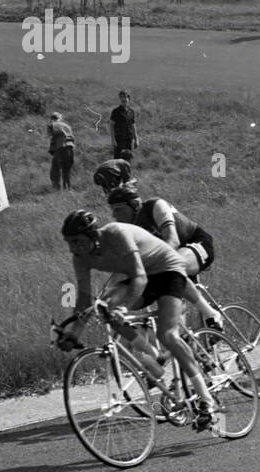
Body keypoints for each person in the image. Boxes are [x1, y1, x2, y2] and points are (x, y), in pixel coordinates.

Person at [55, 211, 219, 431]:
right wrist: (74, 333)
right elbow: (84, 299)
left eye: (77, 241)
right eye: (69, 243)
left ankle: (206, 400)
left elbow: (140, 277)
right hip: (140, 276)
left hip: (167, 271)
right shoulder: (80, 258)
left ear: (93, 234)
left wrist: (124, 307)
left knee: (167, 334)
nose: (72, 248)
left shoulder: (116, 234)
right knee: (104, 308)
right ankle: (154, 357)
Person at [107, 186, 222, 329]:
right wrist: (105, 293)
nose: (114, 215)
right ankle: (185, 338)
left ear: (135, 205)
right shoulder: (127, 230)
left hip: (196, 243)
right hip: (167, 257)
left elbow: (173, 241)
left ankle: (210, 313)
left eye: (118, 209)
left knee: (169, 268)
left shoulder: (155, 206)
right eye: (112, 209)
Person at [46, 112, 75, 190]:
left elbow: (51, 136)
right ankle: (68, 188)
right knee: (67, 170)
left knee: (55, 170)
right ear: (60, 118)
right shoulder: (67, 126)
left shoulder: (52, 124)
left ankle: (56, 189)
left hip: (60, 148)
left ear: (52, 118)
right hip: (70, 148)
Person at [110, 90, 138, 160]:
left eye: (125, 97)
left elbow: (133, 126)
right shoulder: (116, 111)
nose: (124, 99)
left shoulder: (131, 111)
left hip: (129, 139)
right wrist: (113, 140)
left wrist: (136, 139)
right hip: (119, 140)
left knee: (128, 160)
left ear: (128, 99)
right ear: (120, 99)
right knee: (117, 160)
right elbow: (111, 126)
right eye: (121, 97)